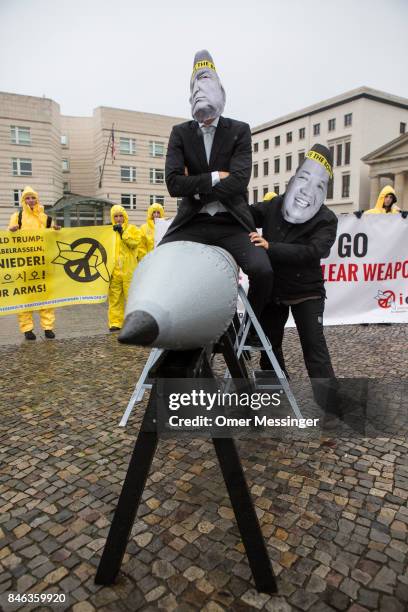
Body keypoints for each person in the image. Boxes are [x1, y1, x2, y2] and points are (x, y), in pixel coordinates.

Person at [160, 49, 273, 322]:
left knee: (263, 271)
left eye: (207, 83)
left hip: (231, 222)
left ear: (220, 91)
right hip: (192, 222)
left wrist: (195, 185)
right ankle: (178, 330)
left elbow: (238, 181)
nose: (200, 91)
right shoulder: (181, 133)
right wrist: (214, 177)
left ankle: (249, 330)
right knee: (159, 265)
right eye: (195, 85)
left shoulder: (239, 130)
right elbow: (174, 184)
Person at [249, 144, 338, 412]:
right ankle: (275, 391)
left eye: (319, 186)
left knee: (314, 349)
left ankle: (330, 406)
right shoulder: (275, 204)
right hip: (275, 291)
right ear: (293, 179)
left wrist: (270, 247)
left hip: (306, 293)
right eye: (303, 178)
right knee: (268, 344)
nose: (308, 190)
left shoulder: (326, 219)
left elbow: (314, 251)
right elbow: (245, 213)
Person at [8, 186, 59, 340]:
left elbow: (56, 237)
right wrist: (12, 230)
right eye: (27, 198)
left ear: (37, 199)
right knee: (25, 297)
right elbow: (9, 236)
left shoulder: (46, 218)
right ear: (23, 200)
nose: (30, 200)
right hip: (24, 263)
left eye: (33, 198)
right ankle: (27, 329)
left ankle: (48, 328)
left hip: (43, 262)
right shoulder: (17, 217)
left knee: (45, 296)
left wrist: (57, 229)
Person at [108, 204, 140, 331]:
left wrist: (123, 233)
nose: (119, 219)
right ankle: (115, 323)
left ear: (125, 216)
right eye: (116, 216)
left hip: (129, 271)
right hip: (114, 271)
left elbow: (134, 243)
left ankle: (135, 324)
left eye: (121, 216)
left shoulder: (133, 229)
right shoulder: (109, 231)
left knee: (132, 298)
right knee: (115, 299)